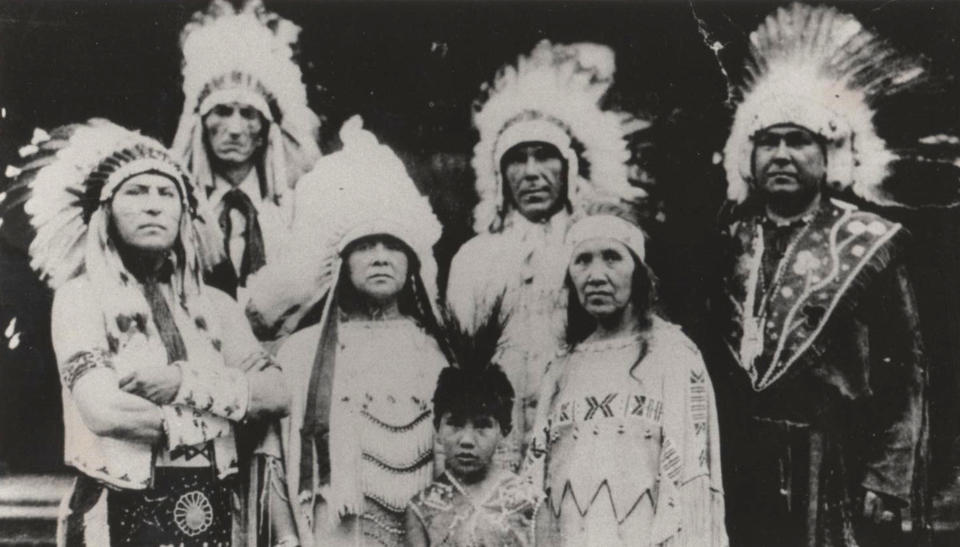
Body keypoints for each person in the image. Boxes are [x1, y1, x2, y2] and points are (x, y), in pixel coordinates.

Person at [4, 119, 289, 546]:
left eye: (166, 193)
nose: (153, 205)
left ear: (184, 213)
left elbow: (278, 393)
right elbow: (105, 410)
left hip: (213, 511)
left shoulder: (218, 306)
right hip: (116, 512)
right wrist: (227, 412)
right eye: (136, 192)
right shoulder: (81, 298)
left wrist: (182, 381)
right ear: (106, 211)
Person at [711, 4, 934, 545]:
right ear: (750, 154)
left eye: (799, 140)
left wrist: (888, 476)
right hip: (737, 463)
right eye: (769, 141)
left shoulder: (869, 242)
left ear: (826, 151)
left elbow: (906, 368)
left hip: (833, 461)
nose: (782, 154)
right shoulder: (724, 241)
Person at [446, 40, 649, 471]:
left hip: (581, 434)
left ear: (570, 168)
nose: (533, 172)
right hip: (494, 443)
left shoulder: (593, 253)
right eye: (518, 159)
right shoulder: (473, 259)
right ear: (500, 174)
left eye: (545, 157)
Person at [255, 117, 450, 546]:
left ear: (413, 261)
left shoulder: (434, 351)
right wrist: (287, 539)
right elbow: (270, 461)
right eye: (364, 246)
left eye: (393, 245)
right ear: (340, 262)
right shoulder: (301, 352)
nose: (380, 257)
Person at [525, 211, 727, 547]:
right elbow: (536, 485)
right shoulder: (562, 367)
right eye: (582, 261)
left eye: (612, 258)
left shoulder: (674, 354)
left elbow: (691, 480)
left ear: (639, 273)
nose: (595, 276)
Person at [172, 0, 320, 304]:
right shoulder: (178, 208)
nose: (236, 129)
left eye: (249, 114)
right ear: (201, 123)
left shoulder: (293, 210)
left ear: (266, 129)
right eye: (222, 111)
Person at [404, 338, 539, 546]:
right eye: (455, 424)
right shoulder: (422, 508)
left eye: (482, 425)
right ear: (437, 428)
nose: (467, 440)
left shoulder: (529, 501)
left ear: (504, 430)